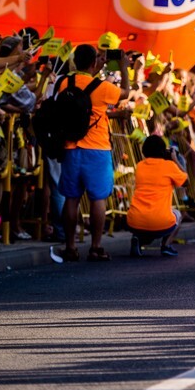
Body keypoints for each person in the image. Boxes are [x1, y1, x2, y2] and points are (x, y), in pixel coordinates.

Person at [50, 44, 130, 263]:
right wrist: (123, 68)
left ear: (75, 60)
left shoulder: (63, 82)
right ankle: (95, 247)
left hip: (70, 146)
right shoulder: (103, 87)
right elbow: (125, 93)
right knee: (98, 198)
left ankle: (70, 247)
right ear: (95, 62)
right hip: (97, 148)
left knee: (71, 198)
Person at [127, 136, 188, 258]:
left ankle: (138, 239)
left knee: (147, 227)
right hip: (160, 221)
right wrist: (175, 159)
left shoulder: (140, 166)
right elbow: (186, 182)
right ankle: (166, 245)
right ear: (162, 150)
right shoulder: (169, 166)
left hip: (135, 220)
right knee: (178, 214)